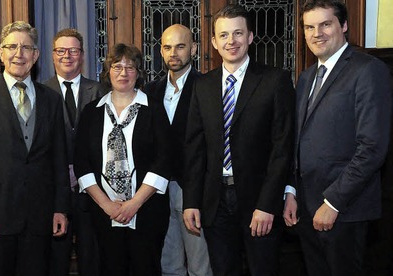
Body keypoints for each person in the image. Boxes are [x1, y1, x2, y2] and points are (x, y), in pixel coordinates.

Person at [182, 4, 295, 275]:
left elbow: (282, 147)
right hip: (214, 202)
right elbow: (195, 149)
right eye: (223, 35)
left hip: (258, 202)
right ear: (213, 42)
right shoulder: (202, 85)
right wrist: (191, 201)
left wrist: (267, 205)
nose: (231, 41)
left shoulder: (275, 81)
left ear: (251, 37)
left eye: (238, 33)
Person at [282, 1, 391, 275]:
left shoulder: (368, 70)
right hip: (306, 208)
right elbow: (298, 140)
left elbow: (372, 148)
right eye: (309, 27)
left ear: (343, 26)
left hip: (344, 210)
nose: (316, 33)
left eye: (325, 24)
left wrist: (333, 203)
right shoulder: (306, 77)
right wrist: (292, 191)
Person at [0, 21, 69, 276]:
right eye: (11, 46)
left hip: (40, 216)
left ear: (35, 55)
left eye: (26, 47)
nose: (18, 53)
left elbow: (59, 159)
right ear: (1, 53)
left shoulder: (51, 99)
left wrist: (61, 208)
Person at [74, 43, 171, 276]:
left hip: (147, 211)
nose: (123, 73)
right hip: (103, 213)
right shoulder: (91, 112)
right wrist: (107, 205)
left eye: (130, 67)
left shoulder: (155, 110)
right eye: (117, 67)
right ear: (108, 72)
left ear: (138, 73)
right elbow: (82, 162)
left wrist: (134, 204)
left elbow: (164, 160)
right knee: (109, 267)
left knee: (145, 267)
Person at [143, 24, 212, 276]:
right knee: (168, 265)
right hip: (157, 191)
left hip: (193, 189)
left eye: (180, 46)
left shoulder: (208, 87)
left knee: (200, 266)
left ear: (193, 49)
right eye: (167, 47)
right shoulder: (150, 91)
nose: (173, 52)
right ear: (161, 51)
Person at [44, 28, 103, 276]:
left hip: (92, 193)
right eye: (61, 50)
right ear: (52, 55)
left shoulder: (100, 91)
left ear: (82, 55)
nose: (67, 56)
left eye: (73, 51)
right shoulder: (40, 92)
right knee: (55, 262)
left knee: (93, 259)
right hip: (53, 194)